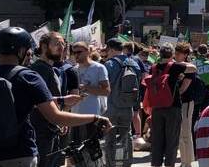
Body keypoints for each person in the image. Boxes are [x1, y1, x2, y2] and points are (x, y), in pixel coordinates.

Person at [0, 27, 111, 167]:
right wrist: (95, 118)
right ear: (22, 51)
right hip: (20, 156)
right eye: (28, 52)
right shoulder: (28, 77)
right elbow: (56, 117)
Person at [146, 43, 196, 167]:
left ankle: (155, 164)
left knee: (157, 141)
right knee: (172, 142)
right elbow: (193, 68)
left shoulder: (153, 67)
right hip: (172, 107)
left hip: (156, 108)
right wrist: (179, 63)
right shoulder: (174, 66)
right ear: (172, 54)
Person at [28, 32, 70, 167]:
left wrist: (60, 121)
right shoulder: (39, 69)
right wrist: (64, 101)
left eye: (63, 44)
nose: (62, 47)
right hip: (40, 131)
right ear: (44, 47)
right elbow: (37, 101)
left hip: (51, 130)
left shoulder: (50, 69)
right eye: (57, 43)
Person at [103, 37, 144, 166]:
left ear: (110, 49)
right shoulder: (134, 63)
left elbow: (105, 86)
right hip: (128, 107)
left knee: (110, 138)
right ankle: (126, 163)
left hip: (111, 107)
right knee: (126, 137)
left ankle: (111, 164)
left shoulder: (109, 64)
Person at [71, 41, 110, 150]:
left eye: (79, 52)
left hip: (91, 114)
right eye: (73, 52)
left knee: (91, 150)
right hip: (75, 115)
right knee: (76, 151)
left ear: (88, 51)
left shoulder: (99, 68)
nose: (76, 55)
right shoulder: (73, 69)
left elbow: (106, 91)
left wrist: (87, 88)